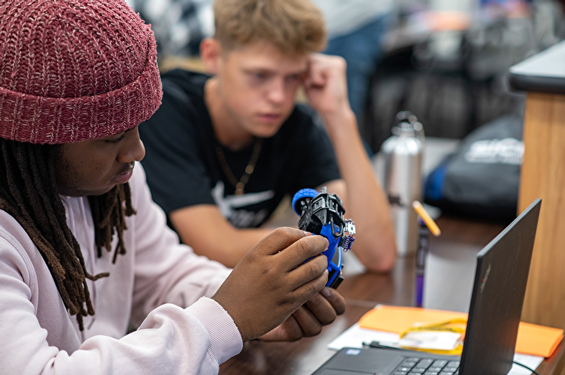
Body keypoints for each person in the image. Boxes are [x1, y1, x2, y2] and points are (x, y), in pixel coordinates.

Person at [0, 1, 346, 374]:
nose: (137, 151)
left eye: (138, 126)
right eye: (113, 137)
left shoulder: (112, 183)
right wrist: (225, 318)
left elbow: (163, 274)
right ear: (35, 137)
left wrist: (261, 302)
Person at [139, 0, 397, 272]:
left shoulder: (297, 125)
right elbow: (216, 245)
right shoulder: (165, 110)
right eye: (260, 75)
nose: (279, 97)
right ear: (212, 56)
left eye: (293, 77)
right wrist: (330, 239)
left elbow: (377, 252)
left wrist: (339, 116)